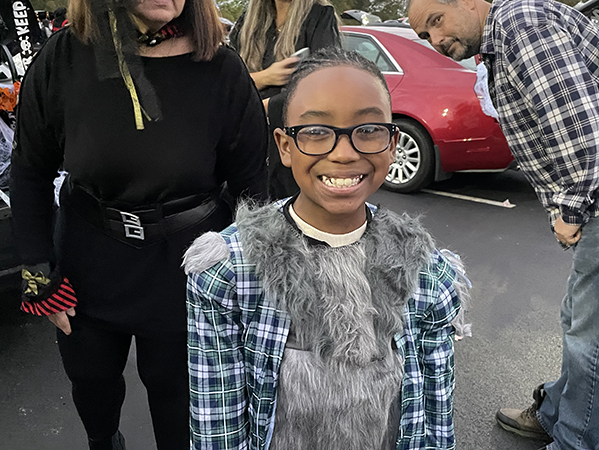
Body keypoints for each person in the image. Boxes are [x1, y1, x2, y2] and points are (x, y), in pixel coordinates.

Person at [407, 0, 599, 449]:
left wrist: (569, 212)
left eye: (436, 22)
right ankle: (560, 411)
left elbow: (577, 126)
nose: (436, 40)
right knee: (584, 318)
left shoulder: (520, 26)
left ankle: (580, 440)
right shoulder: (508, 33)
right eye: (424, 36)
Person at [9, 0, 268, 448]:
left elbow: (253, 189)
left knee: (181, 420)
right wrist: (38, 275)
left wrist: (252, 279)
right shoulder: (63, 57)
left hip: (189, 268)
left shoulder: (222, 69)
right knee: (93, 397)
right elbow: (30, 168)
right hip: (88, 261)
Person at [183, 48, 470, 449]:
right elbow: (217, 420)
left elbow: (436, 416)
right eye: (316, 132)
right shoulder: (228, 270)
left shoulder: (428, 274)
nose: (344, 152)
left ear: (393, 144)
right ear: (284, 146)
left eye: (369, 129)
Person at [229, 0, 341, 199]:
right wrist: (266, 77)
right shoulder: (247, 21)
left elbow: (325, 82)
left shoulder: (319, 16)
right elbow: (228, 82)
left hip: (293, 142)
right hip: (249, 142)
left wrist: (264, 106)